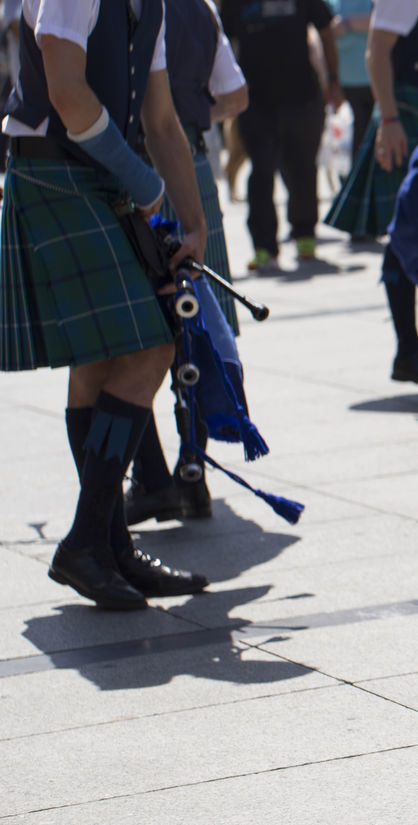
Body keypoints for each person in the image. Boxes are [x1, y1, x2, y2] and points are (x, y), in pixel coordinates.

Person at [0, 0, 212, 608]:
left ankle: (108, 547)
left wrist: (194, 226)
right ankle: (89, 541)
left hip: (93, 179)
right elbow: (66, 91)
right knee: (151, 346)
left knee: (99, 362)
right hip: (54, 174)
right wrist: (140, 179)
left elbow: (163, 120)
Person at [124, 0, 249, 526]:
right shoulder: (201, 9)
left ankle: (152, 479)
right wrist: (194, 116)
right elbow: (236, 96)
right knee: (194, 329)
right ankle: (192, 474)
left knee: (133, 338)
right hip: (192, 164)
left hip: (132, 170)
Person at [322, 0, 418, 386]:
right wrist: (389, 118)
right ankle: (413, 352)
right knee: (413, 233)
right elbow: (377, 49)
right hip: (410, 112)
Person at [221, 0, 343, 271]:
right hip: (255, 100)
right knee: (261, 171)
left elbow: (325, 30)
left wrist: (333, 79)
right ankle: (265, 247)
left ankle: (304, 236)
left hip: (302, 96)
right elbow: (221, 43)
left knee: (302, 168)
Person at [326, 0, 374, 170]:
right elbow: (323, 26)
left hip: (374, 79)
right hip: (345, 79)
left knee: (370, 133)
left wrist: (349, 23)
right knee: (359, 132)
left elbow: (385, 20)